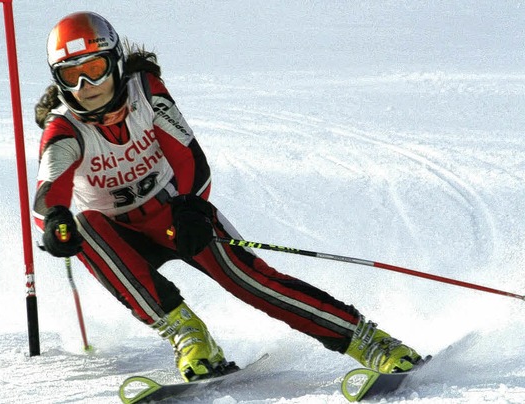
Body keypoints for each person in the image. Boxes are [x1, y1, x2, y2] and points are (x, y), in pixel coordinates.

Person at [33, 11, 423, 382]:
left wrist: (191, 207)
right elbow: (48, 195)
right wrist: (55, 222)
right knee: (82, 226)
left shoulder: (146, 93)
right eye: (72, 75)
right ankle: (190, 338)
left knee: (248, 280)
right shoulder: (63, 128)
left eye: (95, 69)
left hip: (175, 214)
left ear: (115, 61)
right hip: (120, 238)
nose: (87, 87)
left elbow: (189, 157)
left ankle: (369, 341)